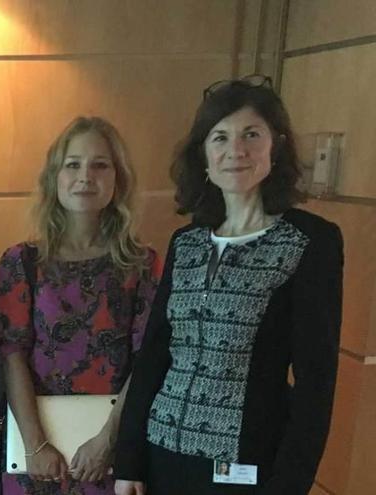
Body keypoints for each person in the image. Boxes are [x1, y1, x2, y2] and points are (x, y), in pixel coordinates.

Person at [113, 75, 344, 495]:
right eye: (220, 137)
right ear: (203, 155)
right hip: (162, 455)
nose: (235, 151)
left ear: (277, 146)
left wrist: (290, 484)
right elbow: (153, 358)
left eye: (251, 135)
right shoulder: (186, 242)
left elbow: (317, 381)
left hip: (246, 464)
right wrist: (128, 461)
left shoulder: (310, 241)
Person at [0, 116, 162, 495]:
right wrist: (35, 445)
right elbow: (11, 355)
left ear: (118, 180)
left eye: (100, 165)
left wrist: (107, 442)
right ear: (55, 177)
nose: (86, 176)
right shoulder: (21, 261)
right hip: (34, 453)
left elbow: (147, 361)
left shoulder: (143, 265)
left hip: (112, 453)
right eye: (73, 164)